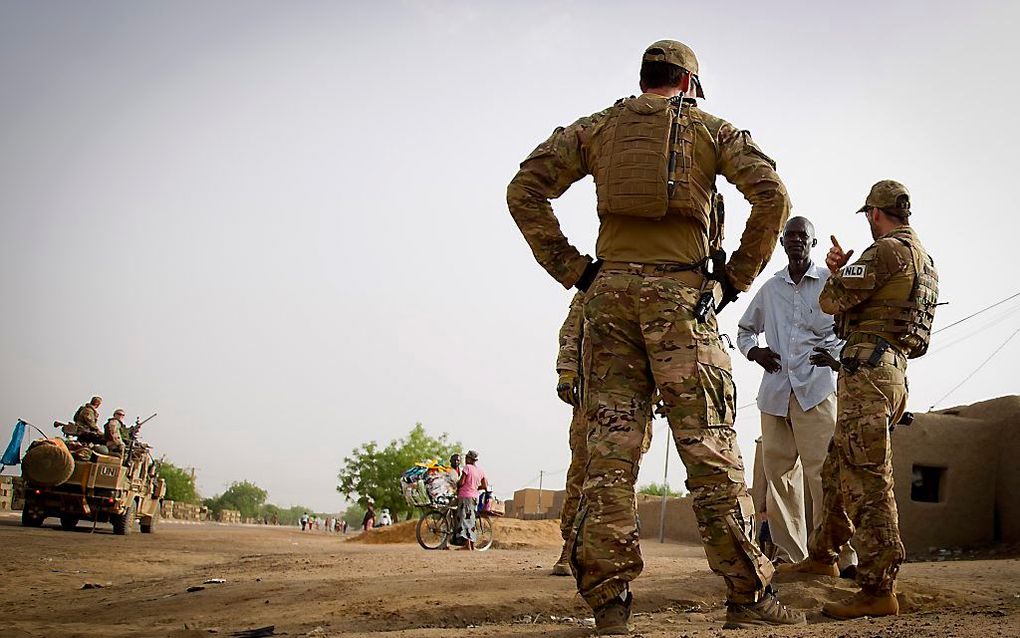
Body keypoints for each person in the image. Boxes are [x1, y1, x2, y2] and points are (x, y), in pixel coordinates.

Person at [507, 39, 803, 632]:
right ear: (690, 83)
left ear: (645, 79)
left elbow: (524, 190)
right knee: (711, 454)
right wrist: (733, 280)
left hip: (608, 300)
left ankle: (610, 609)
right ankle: (748, 599)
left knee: (609, 461)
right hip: (681, 302)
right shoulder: (712, 131)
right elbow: (772, 199)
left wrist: (576, 271)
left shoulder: (594, 130)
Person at [779, 180, 938, 620]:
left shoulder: (885, 251)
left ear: (874, 214)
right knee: (836, 466)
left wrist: (835, 273)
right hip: (889, 372)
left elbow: (829, 301)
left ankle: (877, 586)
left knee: (868, 480)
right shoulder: (923, 258)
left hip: (868, 376)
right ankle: (823, 554)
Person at [736, 217, 857, 571]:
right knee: (780, 478)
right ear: (783, 243)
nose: (796, 241)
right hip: (775, 394)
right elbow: (745, 330)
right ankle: (794, 558)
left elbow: (851, 328)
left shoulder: (829, 286)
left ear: (813, 244)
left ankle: (842, 556)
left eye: (802, 236)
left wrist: (834, 358)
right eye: (790, 236)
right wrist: (753, 352)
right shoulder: (770, 289)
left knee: (824, 475)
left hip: (816, 391)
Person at [552, 292, 654, 577]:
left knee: (624, 479)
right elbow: (571, 332)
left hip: (635, 403)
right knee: (582, 475)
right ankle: (570, 547)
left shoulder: (651, 286)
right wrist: (567, 373)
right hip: (592, 401)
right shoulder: (592, 286)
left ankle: (620, 551)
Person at [455, 450, 488, 550]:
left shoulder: (467, 468)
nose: (465, 460)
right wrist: (476, 488)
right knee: (471, 520)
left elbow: (462, 482)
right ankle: (472, 544)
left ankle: (467, 545)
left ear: (470, 459)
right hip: (475, 497)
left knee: (464, 519)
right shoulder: (480, 471)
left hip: (465, 496)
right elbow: (485, 485)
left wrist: (457, 484)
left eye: (466, 458)